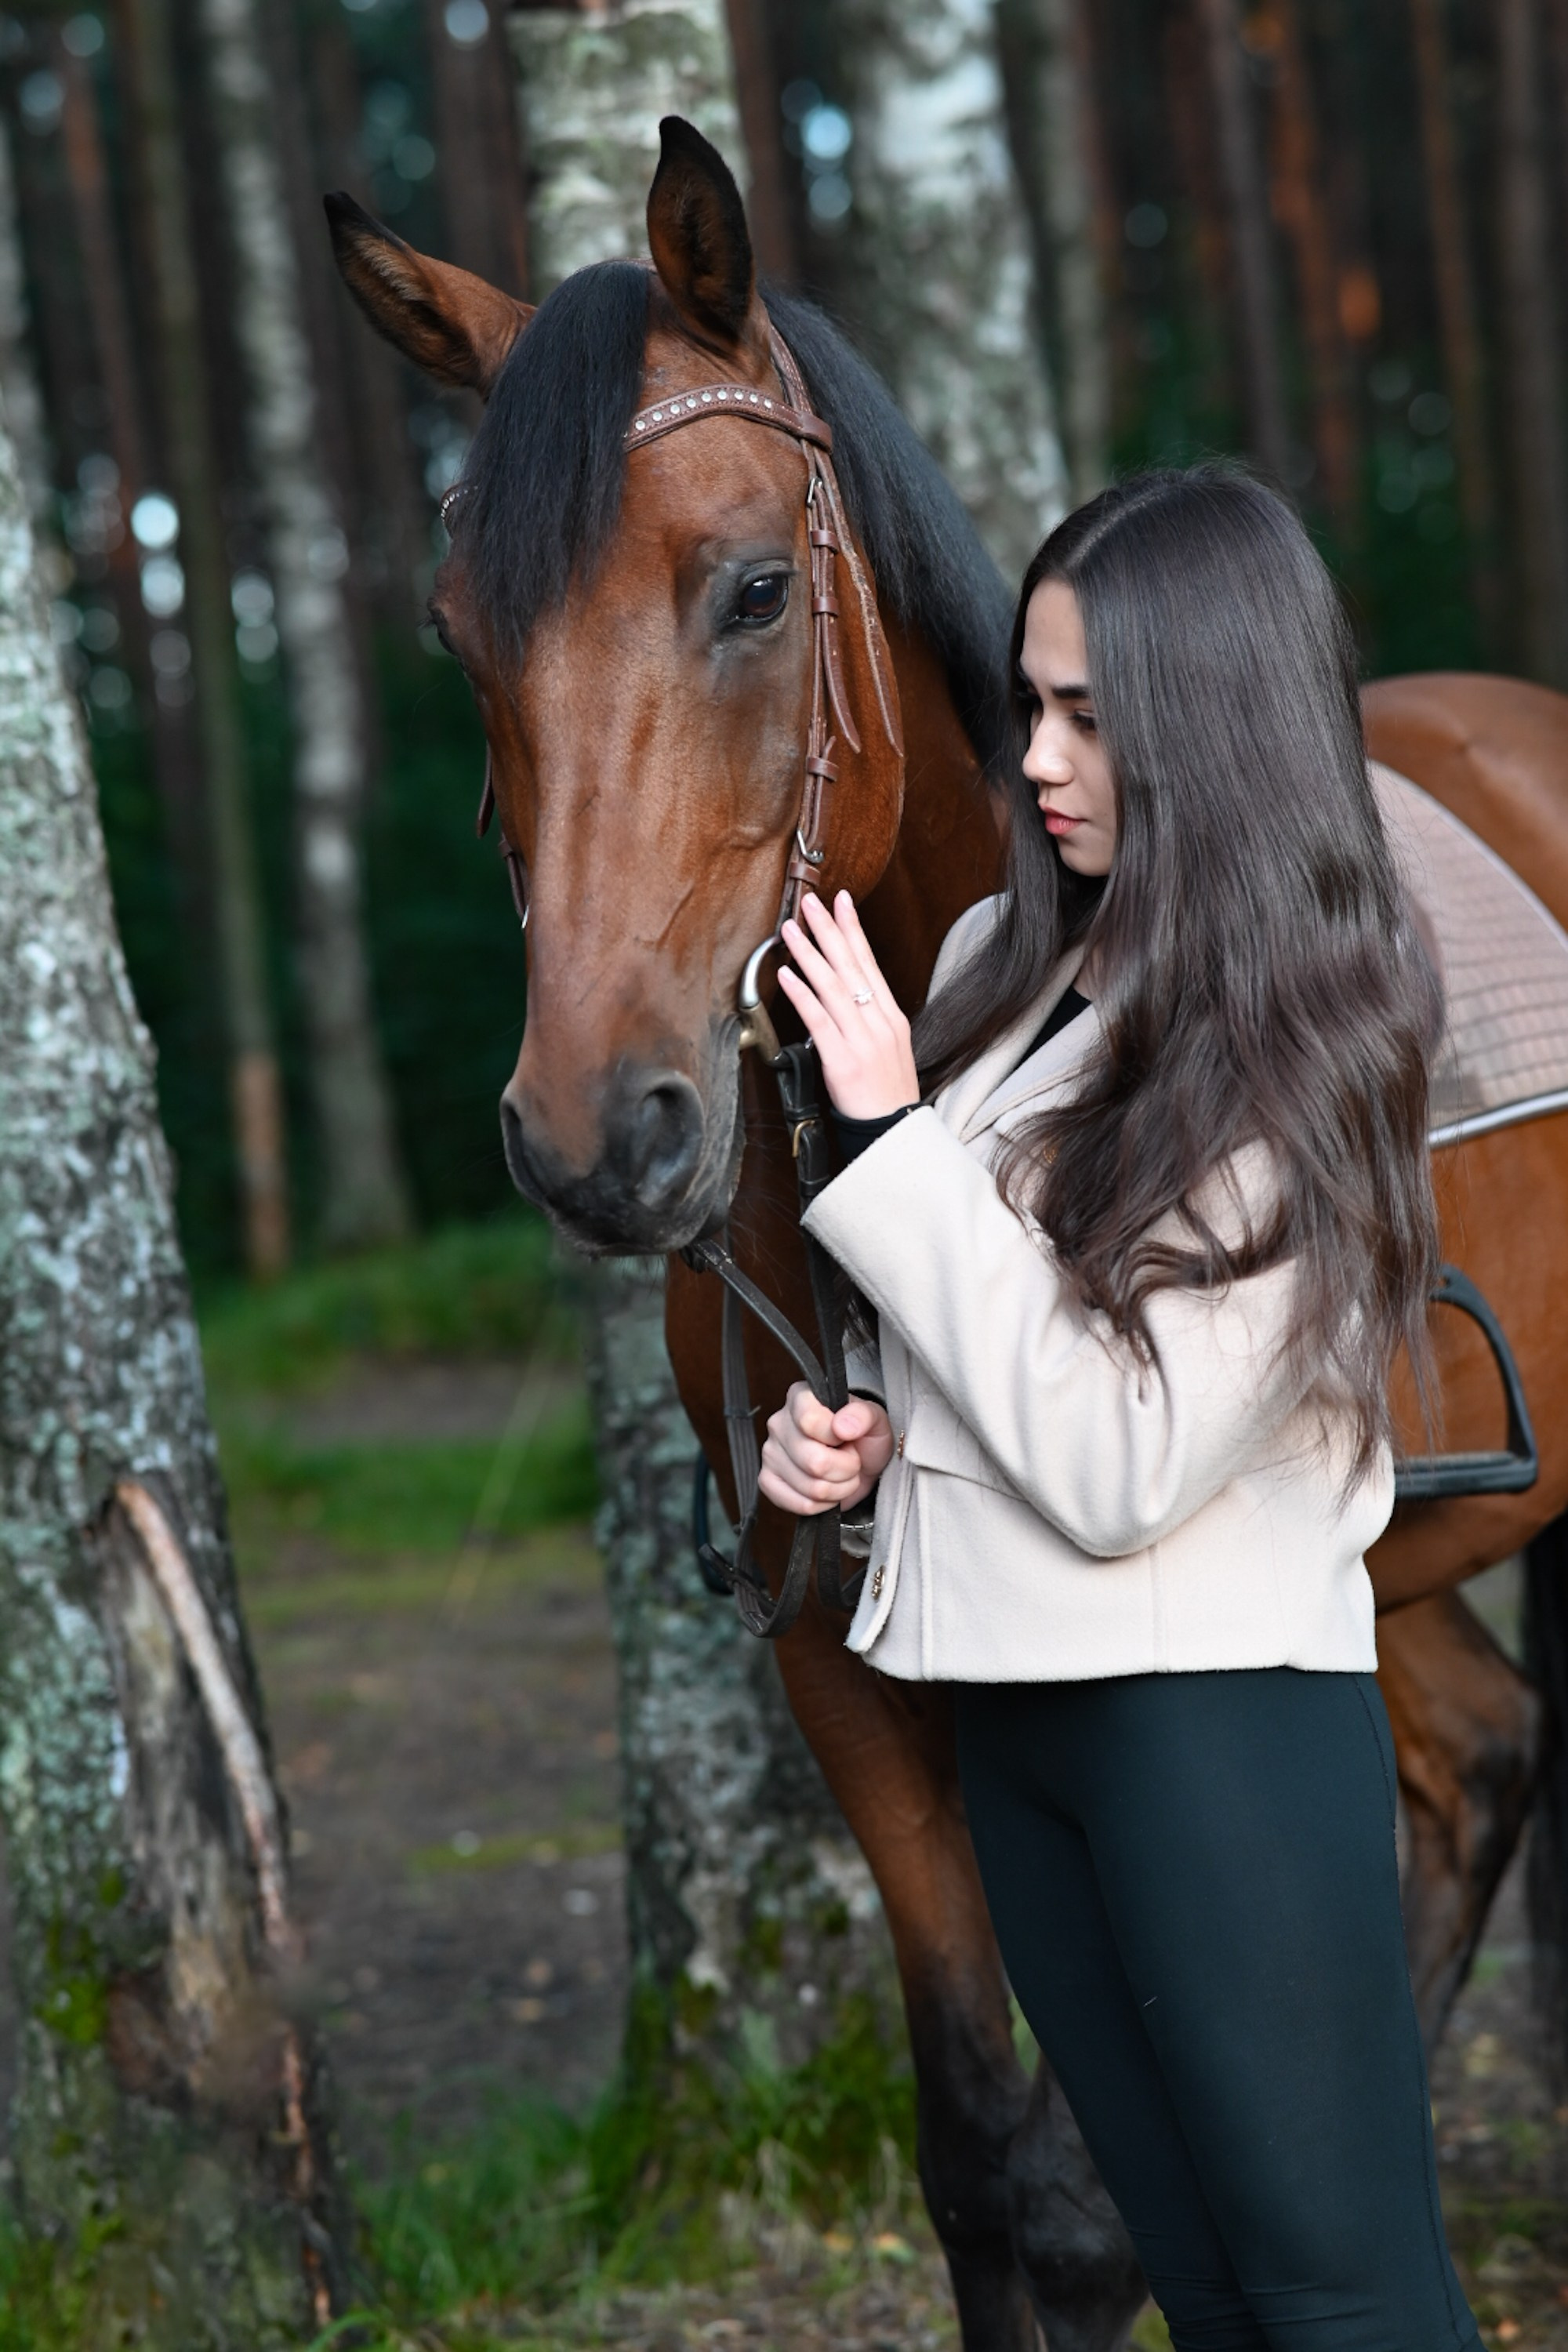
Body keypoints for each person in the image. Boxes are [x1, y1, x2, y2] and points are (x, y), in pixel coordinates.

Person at [759, 467, 1480, 2352]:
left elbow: (1117, 1457)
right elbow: (986, 1344)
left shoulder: (1314, 1022)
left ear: (1215, 719)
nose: (1042, 759)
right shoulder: (1004, 971)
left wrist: (882, 1135)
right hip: (1018, 1723)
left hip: (1211, 1736)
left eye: (1093, 715)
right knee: (1207, 2301)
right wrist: (855, 1448)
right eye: (1031, 701)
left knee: (1341, 2306)